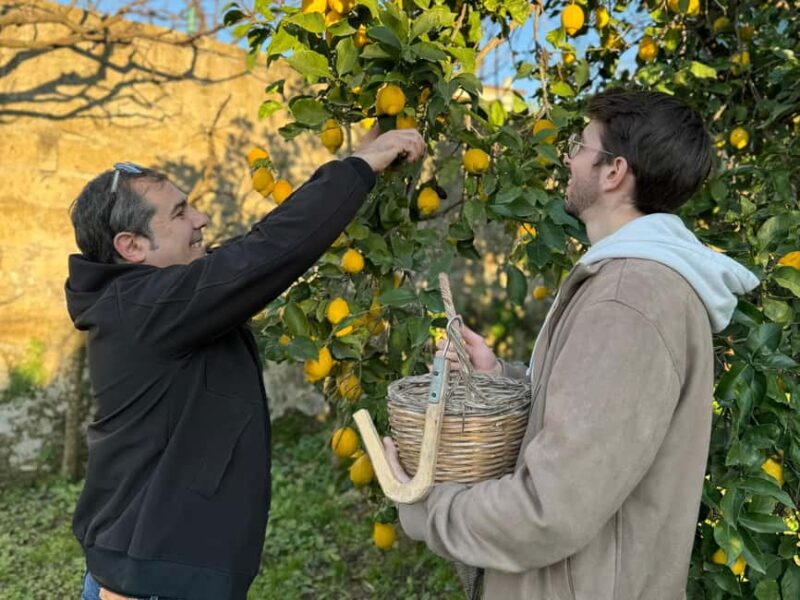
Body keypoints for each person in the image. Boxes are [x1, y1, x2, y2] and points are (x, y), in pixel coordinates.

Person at [382, 89, 760, 599]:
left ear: (613, 171)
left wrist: (426, 504)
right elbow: (589, 430)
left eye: (581, 146)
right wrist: (501, 380)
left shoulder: (630, 299)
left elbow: (550, 510)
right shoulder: (628, 283)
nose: (568, 156)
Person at [66, 126, 426, 600]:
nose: (202, 218)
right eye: (180, 212)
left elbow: (253, 251)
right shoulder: (145, 309)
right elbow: (263, 254)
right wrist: (360, 165)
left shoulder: (151, 302)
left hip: (159, 570)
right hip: (155, 582)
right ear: (132, 247)